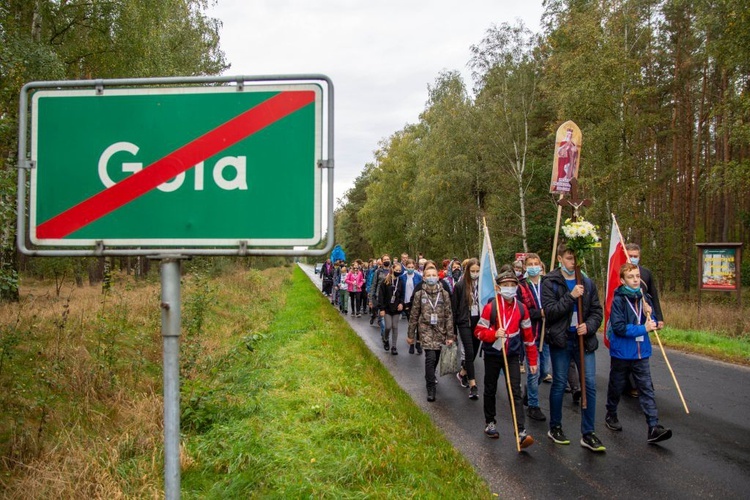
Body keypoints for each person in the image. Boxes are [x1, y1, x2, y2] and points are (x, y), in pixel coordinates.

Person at [542, 243, 605, 452]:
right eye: (569, 258)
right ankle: (556, 426)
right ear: (560, 258)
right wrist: (570, 297)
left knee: (589, 383)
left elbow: (597, 311)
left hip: (583, 340)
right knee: (560, 382)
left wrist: (589, 326)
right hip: (562, 340)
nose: (573, 263)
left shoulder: (586, 282)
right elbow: (550, 312)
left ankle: (588, 433)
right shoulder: (550, 282)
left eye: (576, 259)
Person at [605, 263, 673, 444]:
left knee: (646, 389)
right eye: (630, 277)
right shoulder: (618, 300)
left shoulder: (645, 297)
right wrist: (643, 327)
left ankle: (653, 426)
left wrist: (651, 315)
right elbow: (618, 327)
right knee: (617, 386)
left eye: (637, 276)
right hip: (622, 352)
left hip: (641, 352)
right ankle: (611, 413)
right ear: (622, 280)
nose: (635, 279)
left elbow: (652, 322)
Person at [474, 266, 537, 449]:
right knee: (490, 388)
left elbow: (529, 337)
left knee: (515, 391)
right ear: (498, 287)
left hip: (512, 354)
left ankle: (521, 431)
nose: (509, 287)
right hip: (493, 354)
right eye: (505, 284)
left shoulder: (522, 308)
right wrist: (493, 333)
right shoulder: (490, 308)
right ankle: (490, 422)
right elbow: (478, 331)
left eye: (512, 284)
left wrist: (532, 361)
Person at [407, 264, 455, 402]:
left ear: (438, 277)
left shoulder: (444, 294)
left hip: (441, 330)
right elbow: (414, 315)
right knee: (430, 356)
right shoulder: (419, 294)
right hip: (426, 329)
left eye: (434, 275)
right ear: (424, 277)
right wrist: (411, 335)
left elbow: (449, 315)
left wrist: (450, 336)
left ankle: (430, 375)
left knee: (437, 356)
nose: (431, 277)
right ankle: (430, 386)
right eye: (428, 275)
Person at [517, 253, 547, 421]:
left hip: (547, 333)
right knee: (533, 371)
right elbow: (522, 310)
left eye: (536, 263)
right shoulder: (522, 286)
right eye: (530, 264)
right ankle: (533, 406)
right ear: (525, 267)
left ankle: (529, 391)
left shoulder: (548, 283)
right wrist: (539, 313)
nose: (534, 266)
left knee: (544, 371)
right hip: (530, 334)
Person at [452, 258, 482, 400]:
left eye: (477, 271)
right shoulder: (460, 286)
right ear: (467, 271)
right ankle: (473, 385)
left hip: (479, 322)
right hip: (464, 322)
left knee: (473, 352)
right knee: (469, 351)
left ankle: (462, 373)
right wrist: (453, 331)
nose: (475, 274)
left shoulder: (483, 285)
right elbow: (454, 308)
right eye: (472, 271)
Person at [377, 262, 404, 355]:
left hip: (396, 308)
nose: (398, 272)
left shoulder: (400, 281)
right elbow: (381, 296)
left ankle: (394, 346)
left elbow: (402, 295)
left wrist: (401, 303)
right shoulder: (385, 281)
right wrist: (382, 309)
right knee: (388, 326)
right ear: (392, 269)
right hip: (387, 308)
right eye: (396, 270)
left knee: (395, 326)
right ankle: (385, 338)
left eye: (400, 270)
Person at [399, 259, 423, 354]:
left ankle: (418, 343)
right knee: (411, 324)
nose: (410, 269)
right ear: (406, 267)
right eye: (409, 267)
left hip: (416, 303)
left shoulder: (418, 277)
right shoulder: (402, 277)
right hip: (406, 302)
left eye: (412, 267)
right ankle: (411, 344)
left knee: (419, 324)